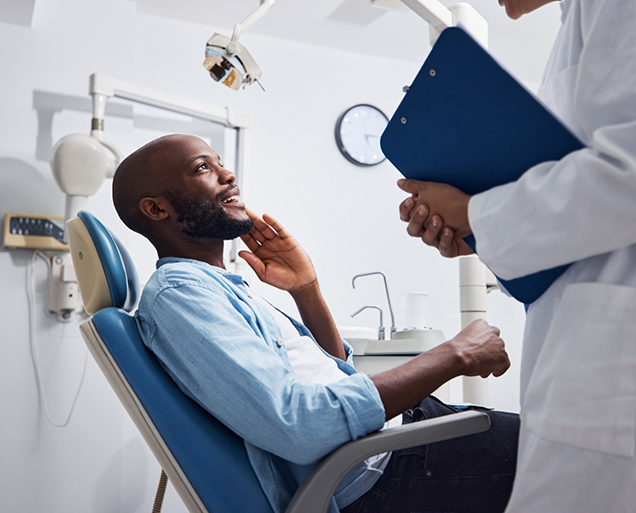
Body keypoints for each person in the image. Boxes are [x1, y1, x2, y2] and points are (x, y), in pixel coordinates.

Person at [112, 133, 519, 513]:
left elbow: (332, 375)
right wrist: (454, 354)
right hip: (384, 470)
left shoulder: (215, 287)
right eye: (202, 168)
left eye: (219, 163)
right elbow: (301, 424)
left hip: (395, 442)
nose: (228, 174)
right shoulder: (181, 295)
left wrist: (306, 290)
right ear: (155, 208)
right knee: (571, 455)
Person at [397, 0, 636, 511]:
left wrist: (476, 212)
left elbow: (628, 172)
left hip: (611, 370)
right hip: (584, 351)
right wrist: (477, 232)